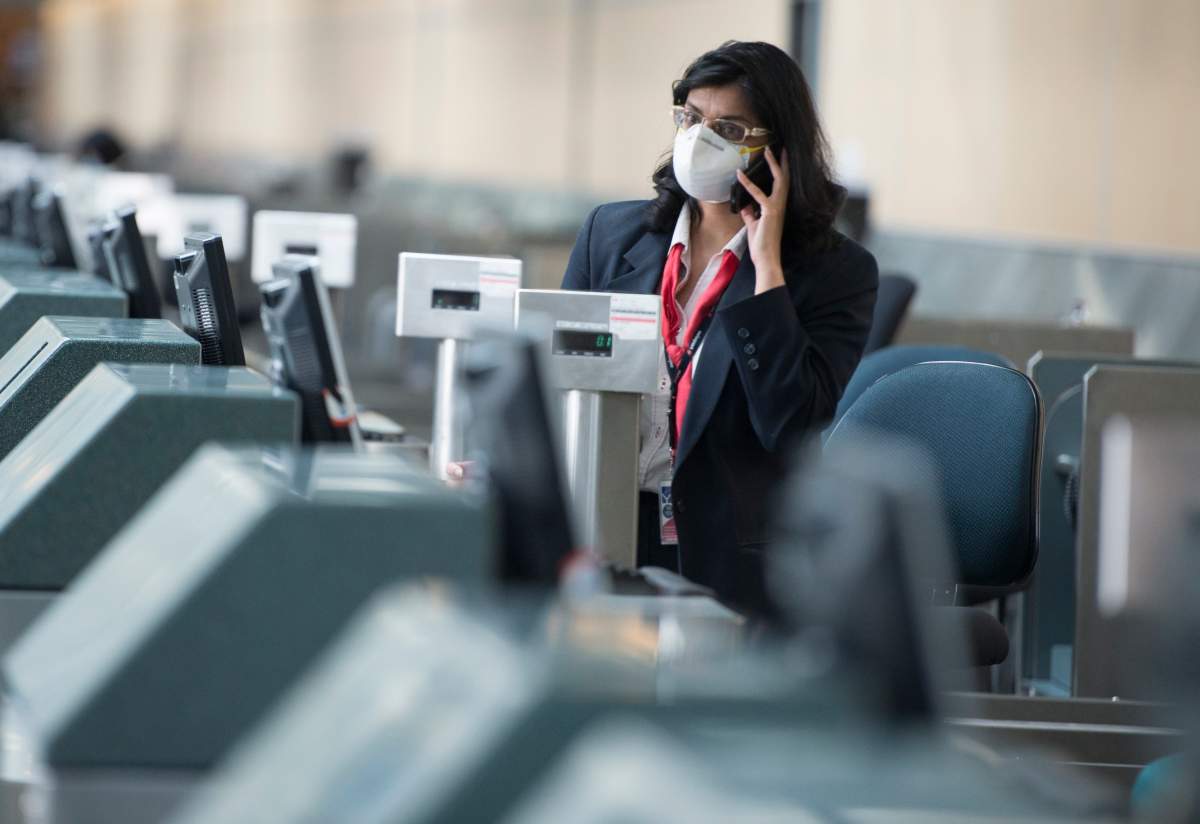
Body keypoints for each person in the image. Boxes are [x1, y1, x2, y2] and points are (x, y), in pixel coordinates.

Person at [561, 40, 878, 613]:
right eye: (691, 117)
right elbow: (559, 377)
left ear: (776, 150)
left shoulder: (835, 272)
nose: (699, 137)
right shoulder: (611, 236)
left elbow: (790, 426)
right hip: (601, 521)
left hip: (727, 553)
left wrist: (768, 269)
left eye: (728, 128)